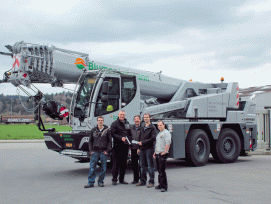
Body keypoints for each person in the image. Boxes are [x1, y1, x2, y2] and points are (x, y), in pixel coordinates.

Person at [84, 116, 112, 188]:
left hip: (103, 152)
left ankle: (101, 182)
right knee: (92, 167)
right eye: (99, 120)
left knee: (103, 168)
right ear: (97, 121)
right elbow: (90, 141)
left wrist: (107, 151)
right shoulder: (93, 130)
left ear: (103, 121)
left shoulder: (107, 130)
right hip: (95, 151)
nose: (100, 121)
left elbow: (110, 141)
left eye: (101, 120)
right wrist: (91, 151)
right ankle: (90, 182)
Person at [111, 110, 133, 185]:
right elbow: (113, 134)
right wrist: (120, 138)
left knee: (124, 164)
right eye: (121, 114)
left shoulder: (127, 123)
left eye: (123, 115)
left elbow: (129, 133)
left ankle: (122, 179)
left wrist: (130, 141)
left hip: (125, 146)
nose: (122, 116)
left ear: (125, 115)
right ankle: (114, 179)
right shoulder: (114, 123)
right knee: (116, 163)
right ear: (118, 115)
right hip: (117, 146)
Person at [136, 113, 156, 188]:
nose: (146, 119)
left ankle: (151, 181)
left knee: (150, 166)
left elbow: (153, 138)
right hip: (142, 149)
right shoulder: (142, 127)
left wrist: (143, 143)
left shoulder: (152, 127)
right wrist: (138, 147)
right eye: (144, 117)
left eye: (147, 117)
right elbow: (140, 137)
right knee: (142, 166)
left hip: (149, 148)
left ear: (150, 118)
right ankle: (143, 181)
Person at [153, 120, 171, 192]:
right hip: (157, 153)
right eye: (158, 125)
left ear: (164, 125)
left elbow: (168, 143)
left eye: (161, 125)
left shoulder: (166, 133)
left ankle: (164, 187)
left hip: (162, 154)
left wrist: (165, 152)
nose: (159, 126)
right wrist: (155, 152)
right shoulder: (159, 133)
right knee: (159, 171)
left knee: (162, 171)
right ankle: (160, 184)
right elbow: (157, 144)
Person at [130, 115, 141, 184]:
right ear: (133, 120)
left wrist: (139, 148)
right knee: (134, 164)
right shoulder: (131, 128)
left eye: (138, 119)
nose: (136, 120)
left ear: (140, 120)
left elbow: (143, 138)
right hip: (133, 148)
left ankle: (142, 179)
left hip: (140, 149)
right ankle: (135, 179)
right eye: (135, 119)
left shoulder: (142, 128)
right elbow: (129, 136)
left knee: (141, 164)